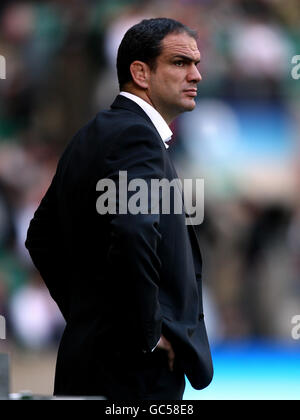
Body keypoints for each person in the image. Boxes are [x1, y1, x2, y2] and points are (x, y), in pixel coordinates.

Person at [25, 17, 213, 400]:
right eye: (180, 63)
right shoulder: (136, 136)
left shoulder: (91, 134)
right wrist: (146, 332)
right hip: (134, 376)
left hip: (91, 362)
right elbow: (133, 231)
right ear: (140, 72)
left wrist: (88, 316)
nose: (195, 75)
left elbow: (40, 237)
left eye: (196, 63)